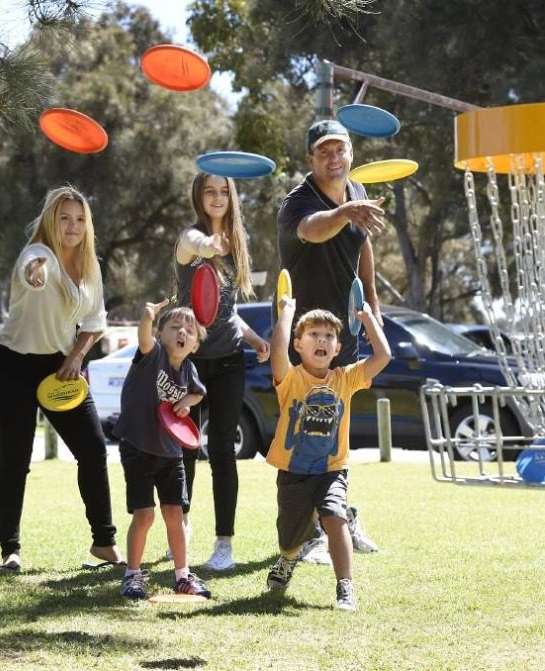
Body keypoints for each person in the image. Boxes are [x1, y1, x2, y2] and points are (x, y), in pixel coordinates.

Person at [0, 185, 122, 572]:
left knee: (94, 450)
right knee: (15, 460)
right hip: (12, 365)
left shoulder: (90, 265)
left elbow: (95, 323)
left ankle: (104, 543)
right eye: (64, 218)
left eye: (80, 219)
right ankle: (10, 550)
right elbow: (32, 271)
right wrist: (36, 273)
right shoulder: (36, 254)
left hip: (61, 367)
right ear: (51, 220)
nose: (73, 225)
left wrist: (77, 356)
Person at [276, 118, 385, 561]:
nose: (333, 157)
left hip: (345, 335)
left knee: (337, 431)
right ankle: (309, 533)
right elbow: (314, 229)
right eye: (324, 151)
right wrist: (343, 213)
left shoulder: (357, 193)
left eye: (340, 149)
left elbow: (363, 246)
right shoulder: (297, 202)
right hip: (306, 338)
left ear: (351, 154)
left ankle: (339, 515)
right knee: (304, 434)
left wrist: (373, 304)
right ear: (310, 159)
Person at [264, 295, 390, 611]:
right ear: (299, 345)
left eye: (329, 336)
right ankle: (288, 558)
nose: (322, 340)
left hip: (332, 469)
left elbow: (383, 355)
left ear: (336, 349)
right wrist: (287, 313)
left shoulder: (345, 378)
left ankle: (345, 588)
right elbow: (276, 352)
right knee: (290, 538)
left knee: (334, 517)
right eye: (313, 335)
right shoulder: (290, 378)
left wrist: (367, 319)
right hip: (293, 472)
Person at [174, 172, 270, 571]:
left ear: (233, 197)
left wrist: (254, 339)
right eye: (210, 191)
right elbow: (194, 244)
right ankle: (179, 528)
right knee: (184, 451)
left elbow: (225, 311)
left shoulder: (237, 247)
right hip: (189, 362)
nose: (217, 197)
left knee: (223, 454)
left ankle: (224, 545)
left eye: (224, 191)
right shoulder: (189, 239)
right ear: (199, 196)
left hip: (230, 358)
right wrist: (209, 243)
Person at [113, 300, 211, 599]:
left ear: (194, 344)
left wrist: (186, 403)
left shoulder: (189, 368)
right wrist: (147, 317)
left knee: (174, 513)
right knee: (144, 516)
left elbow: (197, 394)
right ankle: (132, 575)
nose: (182, 332)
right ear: (160, 335)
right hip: (138, 446)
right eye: (174, 327)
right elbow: (143, 338)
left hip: (171, 451)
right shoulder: (152, 354)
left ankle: (182, 575)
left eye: (189, 330)